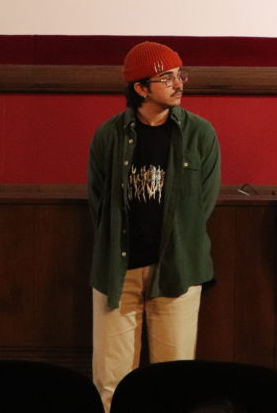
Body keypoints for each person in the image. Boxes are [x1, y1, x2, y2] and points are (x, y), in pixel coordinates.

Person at [88, 41, 221, 411]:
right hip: (117, 272)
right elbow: (98, 202)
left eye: (180, 75)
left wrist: (179, 242)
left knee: (174, 384)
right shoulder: (109, 134)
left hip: (177, 270)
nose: (178, 84)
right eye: (167, 78)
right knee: (111, 383)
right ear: (141, 88)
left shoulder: (199, 133)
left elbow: (203, 203)